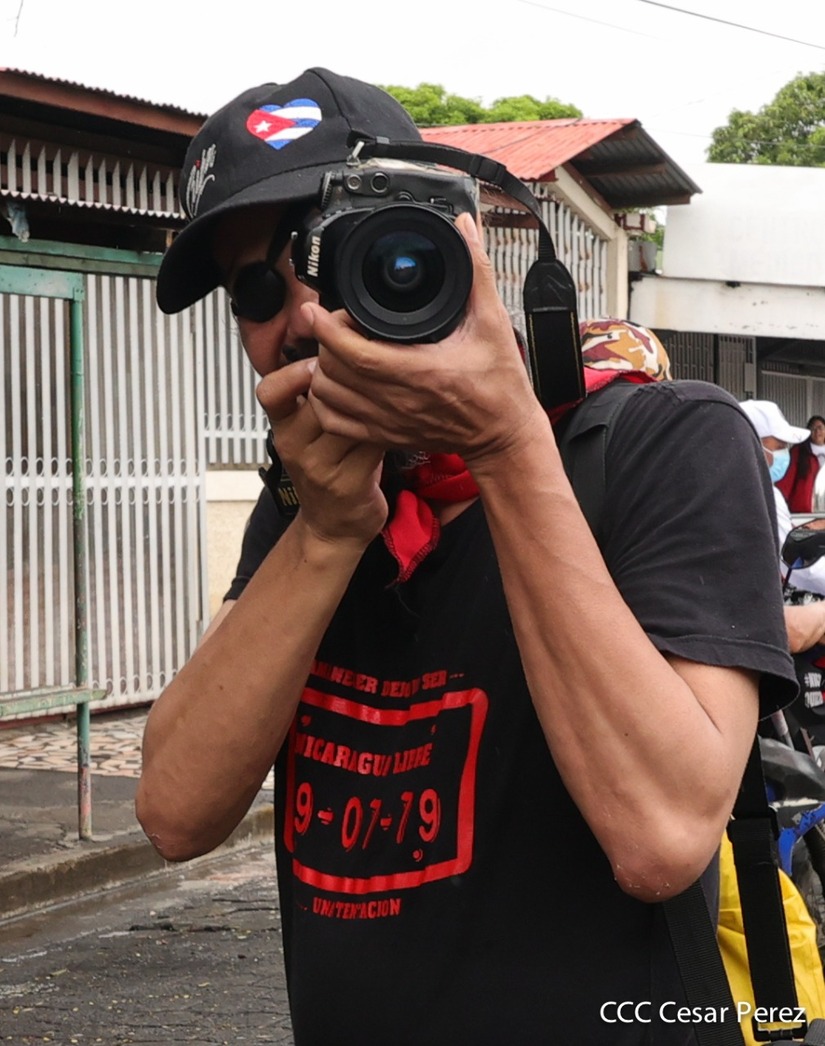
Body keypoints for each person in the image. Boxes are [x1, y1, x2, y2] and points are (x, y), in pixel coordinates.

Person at [137, 68, 796, 1045]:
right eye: (256, 289)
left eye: (344, 253)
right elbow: (175, 811)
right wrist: (326, 532)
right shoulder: (310, 498)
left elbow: (662, 837)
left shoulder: (664, 443)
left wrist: (504, 444)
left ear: (455, 249)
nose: (303, 317)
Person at [739, 399, 825, 600]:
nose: (784, 453)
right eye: (779, 446)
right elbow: (796, 564)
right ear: (752, 444)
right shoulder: (760, 494)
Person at [777, 414, 825, 513]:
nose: (817, 432)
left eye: (820, 428)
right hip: (803, 512)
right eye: (813, 429)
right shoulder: (798, 452)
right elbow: (786, 481)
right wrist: (779, 502)